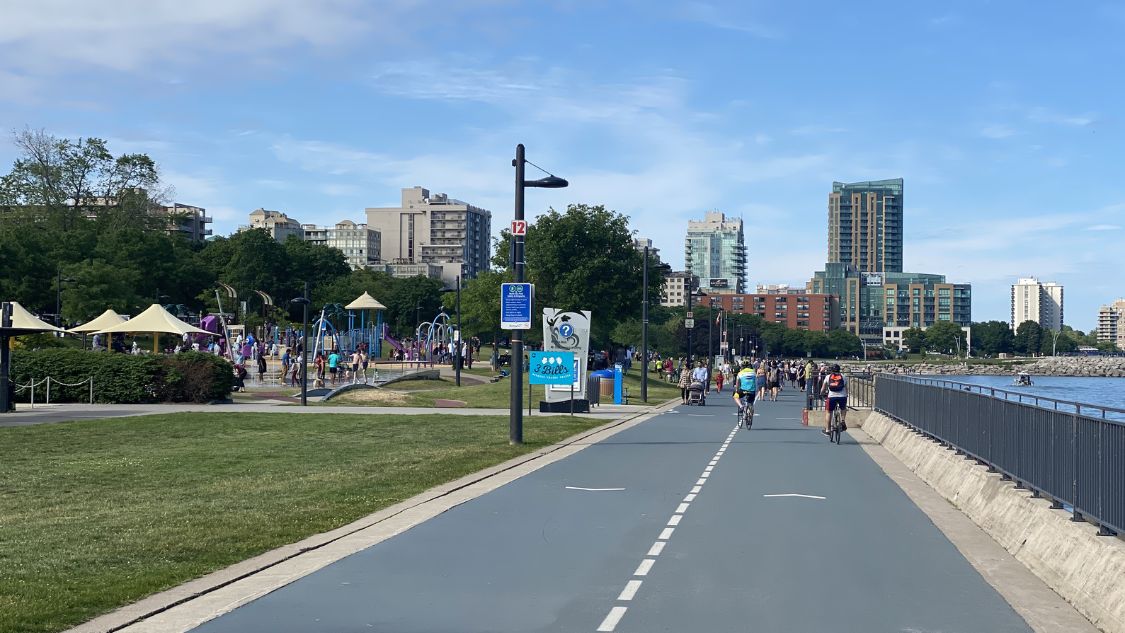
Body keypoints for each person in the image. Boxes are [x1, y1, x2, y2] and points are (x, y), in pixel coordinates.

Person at [821, 363, 848, 437]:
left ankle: (828, 430)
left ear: (831, 370)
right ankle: (842, 420)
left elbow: (823, 388)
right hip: (842, 396)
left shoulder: (828, 377)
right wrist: (846, 395)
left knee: (828, 412)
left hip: (832, 397)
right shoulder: (843, 377)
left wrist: (821, 393)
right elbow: (846, 389)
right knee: (843, 408)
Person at [732, 360, 757, 425]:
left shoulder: (740, 373)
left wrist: (737, 390)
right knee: (751, 403)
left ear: (742, 367)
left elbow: (737, 384)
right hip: (752, 391)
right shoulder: (753, 372)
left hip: (743, 390)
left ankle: (741, 406)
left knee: (735, 396)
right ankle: (750, 414)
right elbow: (755, 381)